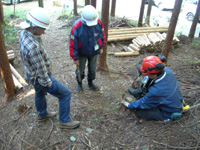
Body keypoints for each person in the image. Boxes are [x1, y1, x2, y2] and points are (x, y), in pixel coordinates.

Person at [19, 7, 80, 129]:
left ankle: (42, 114)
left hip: (31, 74)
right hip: (41, 79)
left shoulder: (24, 33)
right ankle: (64, 121)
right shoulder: (33, 48)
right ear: (34, 27)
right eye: (43, 28)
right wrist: (49, 84)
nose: (44, 31)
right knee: (65, 94)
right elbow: (41, 72)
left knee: (39, 93)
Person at [121, 55, 183, 121]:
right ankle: (139, 93)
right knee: (149, 82)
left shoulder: (156, 91)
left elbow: (144, 103)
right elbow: (150, 80)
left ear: (153, 73)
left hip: (169, 112)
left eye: (147, 74)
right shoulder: (167, 71)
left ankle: (166, 117)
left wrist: (129, 105)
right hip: (172, 99)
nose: (145, 75)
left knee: (141, 112)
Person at [69, 5, 106, 92]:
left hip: (94, 51)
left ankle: (90, 82)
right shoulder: (77, 27)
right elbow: (72, 43)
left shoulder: (98, 23)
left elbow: (102, 35)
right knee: (80, 70)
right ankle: (79, 84)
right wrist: (75, 57)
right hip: (81, 53)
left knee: (92, 69)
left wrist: (101, 47)